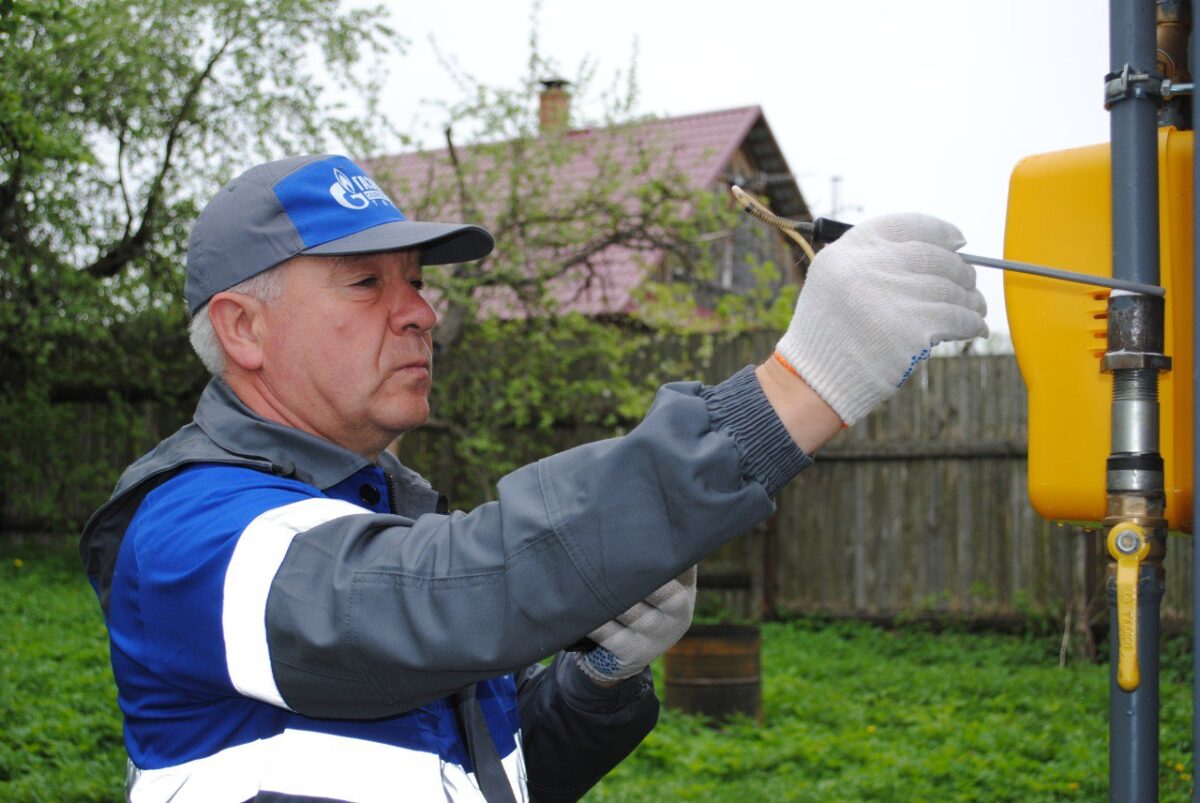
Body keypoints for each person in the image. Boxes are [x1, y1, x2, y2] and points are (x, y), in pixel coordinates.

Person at [81, 154, 987, 803]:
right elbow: (458, 592)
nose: (422, 312)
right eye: (366, 284)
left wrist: (598, 676)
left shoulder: (372, 511)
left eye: (418, 280)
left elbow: (486, 771)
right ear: (243, 329)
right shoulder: (190, 533)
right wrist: (797, 391)